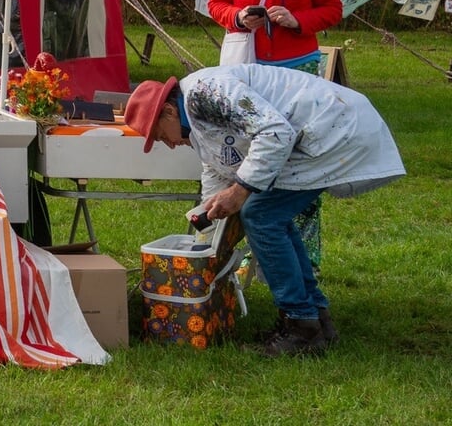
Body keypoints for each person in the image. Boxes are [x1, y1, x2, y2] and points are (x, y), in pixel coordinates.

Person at [126, 64, 404, 357]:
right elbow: (217, 165)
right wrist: (210, 224)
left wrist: (240, 191)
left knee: (261, 215)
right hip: (319, 130)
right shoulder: (194, 115)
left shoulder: (204, 91)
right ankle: (315, 318)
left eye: (160, 136)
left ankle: (301, 325)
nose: (169, 145)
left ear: (169, 111)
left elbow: (274, 132)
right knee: (271, 216)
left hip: (335, 126)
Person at [207, 0, 343, 269]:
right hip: (249, 71)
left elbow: (332, 9)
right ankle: (250, 252)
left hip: (298, 71)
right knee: (250, 159)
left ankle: (304, 258)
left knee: (300, 164)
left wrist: (297, 20)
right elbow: (216, 2)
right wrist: (238, 17)